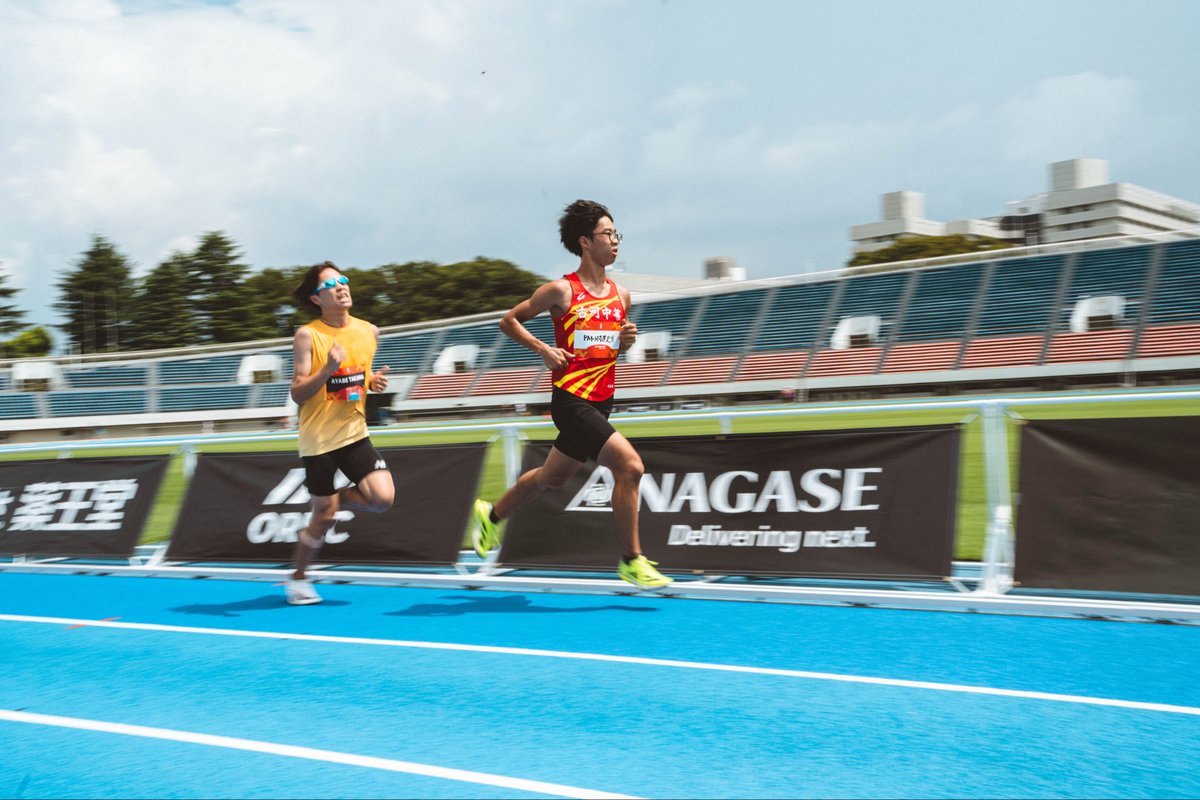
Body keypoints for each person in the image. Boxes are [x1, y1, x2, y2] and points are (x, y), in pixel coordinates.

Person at [469, 200, 672, 589]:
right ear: (584, 242)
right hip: (570, 400)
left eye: (616, 234)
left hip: (602, 400)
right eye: (607, 234)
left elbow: (609, 349)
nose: (615, 241)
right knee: (630, 467)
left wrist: (625, 343)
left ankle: (490, 515)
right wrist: (543, 348)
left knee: (552, 478)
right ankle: (631, 560)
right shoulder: (560, 291)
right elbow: (508, 320)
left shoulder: (621, 296)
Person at [285, 261, 394, 605]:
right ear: (317, 299)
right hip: (319, 441)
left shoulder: (369, 331)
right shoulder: (308, 335)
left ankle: (338, 498)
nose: (342, 287)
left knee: (382, 499)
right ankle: (298, 581)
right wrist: (327, 369)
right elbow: (298, 392)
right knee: (323, 518)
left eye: (344, 280)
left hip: (354, 432)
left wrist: (371, 382)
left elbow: (359, 375)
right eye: (331, 285)